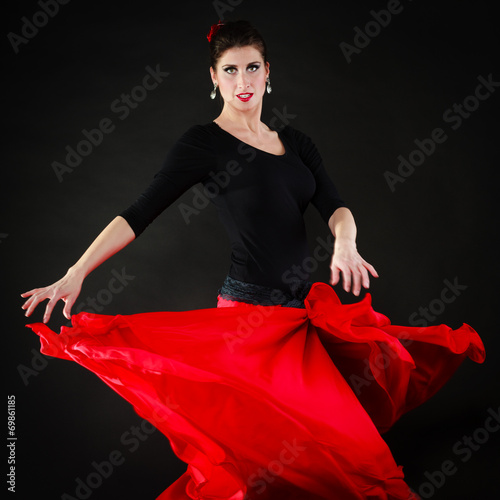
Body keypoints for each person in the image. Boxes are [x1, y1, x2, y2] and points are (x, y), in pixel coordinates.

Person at [22, 20, 484, 500]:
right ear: (214, 78)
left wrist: (345, 242)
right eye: (231, 70)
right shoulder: (205, 143)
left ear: (268, 73)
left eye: (252, 68)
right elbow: (139, 213)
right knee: (260, 465)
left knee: (347, 458)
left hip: (302, 322)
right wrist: (75, 273)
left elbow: (336, 206)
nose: (243, 81)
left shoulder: (297, 143)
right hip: (249, 326)